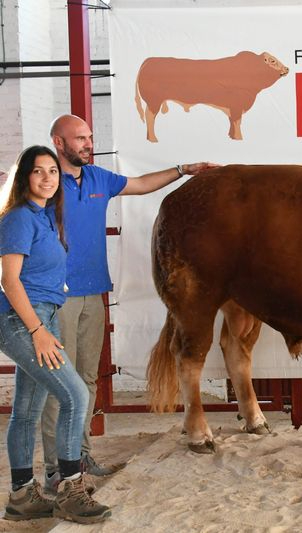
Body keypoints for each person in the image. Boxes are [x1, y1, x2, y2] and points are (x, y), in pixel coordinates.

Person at [39, 114, 218, 492]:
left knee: (87, 378)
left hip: (93, 291)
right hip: (55, 296)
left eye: (90, 136)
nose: (89, 143)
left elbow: (139, 184)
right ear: (58, 142)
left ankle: (80, 456)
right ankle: (56, 470)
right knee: (59, 382)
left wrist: (183, 170)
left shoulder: (97, 178)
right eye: (80, 138)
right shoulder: (43, 182)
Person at [1, 145, 111, 523]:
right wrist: (37, 331)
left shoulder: (46, 216)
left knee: (27, 412)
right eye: (38, 171)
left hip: (43, 316)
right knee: (76, 395)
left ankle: (21, 496)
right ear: (24, 177)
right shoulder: (19, 218)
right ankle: (69, 488)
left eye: (52, 171)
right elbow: (9, 280)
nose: (47, 178)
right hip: (22, 320)